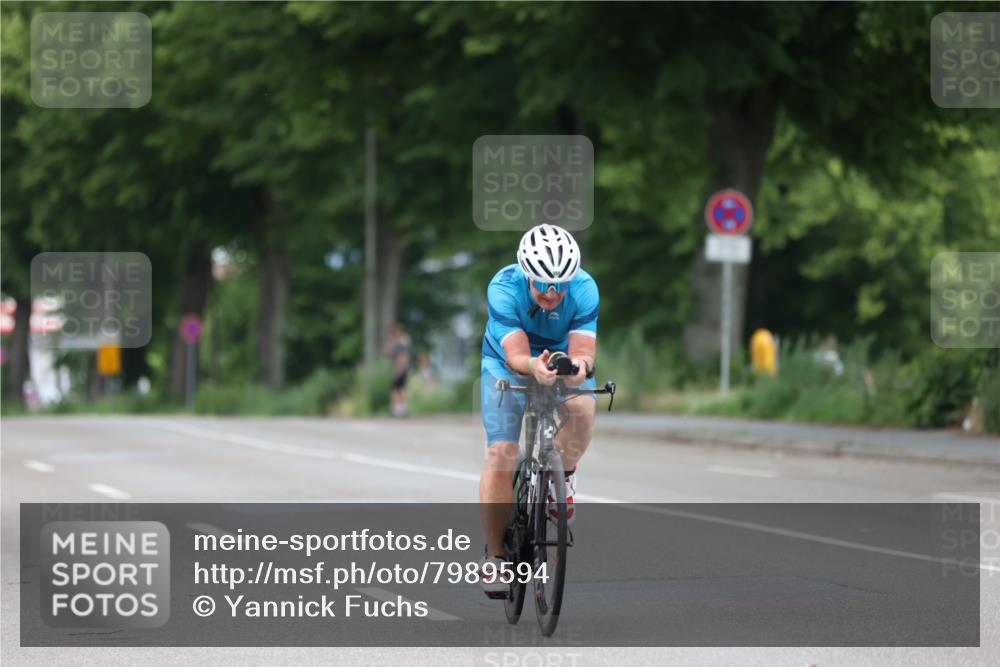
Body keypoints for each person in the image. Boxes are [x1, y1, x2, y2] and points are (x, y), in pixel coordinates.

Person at [477, 224, 599, 598]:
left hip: (559, 360)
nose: (551, 293)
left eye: (559, 284)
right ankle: (496, 557)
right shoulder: (503, 287)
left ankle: (565, 477)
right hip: (505, 363)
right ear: (526, 274)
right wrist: (533, 367)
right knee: (502, 453)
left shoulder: (585, 289)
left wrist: (578, 369)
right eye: (543, 283)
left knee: (583, 410)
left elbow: (584, 352)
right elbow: (515, 353)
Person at [385, 324, 411, 417]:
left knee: (399, 389)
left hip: (400, 369)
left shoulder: (400, 345)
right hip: (401, 369)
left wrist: (398, 370)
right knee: (399, 388)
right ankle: (399, 408)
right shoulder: (398, 344)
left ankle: (400, 409)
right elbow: (388, 353)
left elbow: (403, 358)